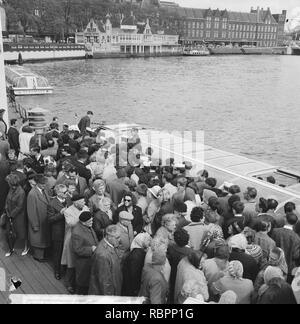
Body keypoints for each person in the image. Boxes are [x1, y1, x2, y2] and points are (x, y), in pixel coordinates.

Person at [61, 194, 89, 294]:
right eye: (82, 202)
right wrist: (82, 215)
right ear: (75, 203)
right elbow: (71, 223)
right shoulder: (68, 211)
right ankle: (69, 284)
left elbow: (88, 219)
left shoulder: (85, 207)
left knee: (81, 262)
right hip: (71, 238)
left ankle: (79, 283)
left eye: (84, 201)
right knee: (71, 263)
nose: (84, 203)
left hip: (84, 236)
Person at [89, 225, 123, 296]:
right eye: (117, 238)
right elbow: (105, 283)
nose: (120, 240)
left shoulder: (111, 245)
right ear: (109, 236)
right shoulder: (103, 255)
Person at [47, 184, 71, 280]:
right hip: (58, 232)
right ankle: (57, 271)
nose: (67, 194)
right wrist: (61, 214)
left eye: (67, 191)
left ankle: (65, 269)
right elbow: (50, 219)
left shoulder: (68, 199)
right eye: (64, 192)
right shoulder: (51, 204)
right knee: (58, 252)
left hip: (68, 230)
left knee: (66, 251)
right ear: (58, 193)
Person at [71, 211, 98, 295]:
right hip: (83, 263)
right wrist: (91, 249)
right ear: (83, 222)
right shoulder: (77, 232)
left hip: (90, 261)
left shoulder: (87, 225)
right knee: (82, 284)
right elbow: (78, 249)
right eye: (90, 221)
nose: (92, 222)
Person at [27, 174, 51, 262]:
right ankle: (38, 256)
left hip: (44, 220)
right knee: (38, 240)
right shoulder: (32, 194)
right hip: (38, 221)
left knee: (43, 239)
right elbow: (31, 211)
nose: (44, 185)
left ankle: (42, 255)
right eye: (42, 184)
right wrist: (35, 225)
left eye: (45, 183)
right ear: (37, 183)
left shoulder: (44, 190)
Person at [271, 213, 300, 283]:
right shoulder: (296, 237)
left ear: (285, 220)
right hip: (289, 268)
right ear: (296, 223)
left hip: (275, 264)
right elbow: (296, 255)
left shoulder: (275, 231)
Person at [4, 174, 28, 257]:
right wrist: (6, 209)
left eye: (8, 182)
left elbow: (19, 206)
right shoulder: (10, 189)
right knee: (8, 233)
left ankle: (26, 247)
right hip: (9, 214)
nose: (7, 183)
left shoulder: (21, 192)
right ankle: (10, 249)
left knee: (21, 234)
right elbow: (7, 200)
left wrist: (11, 215)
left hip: (18, 217)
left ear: (11, 183)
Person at [167, 228, 193, 303]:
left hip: (172, 273)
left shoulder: (171, 247)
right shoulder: (191, 252)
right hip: (183, 276)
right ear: (187, 240)